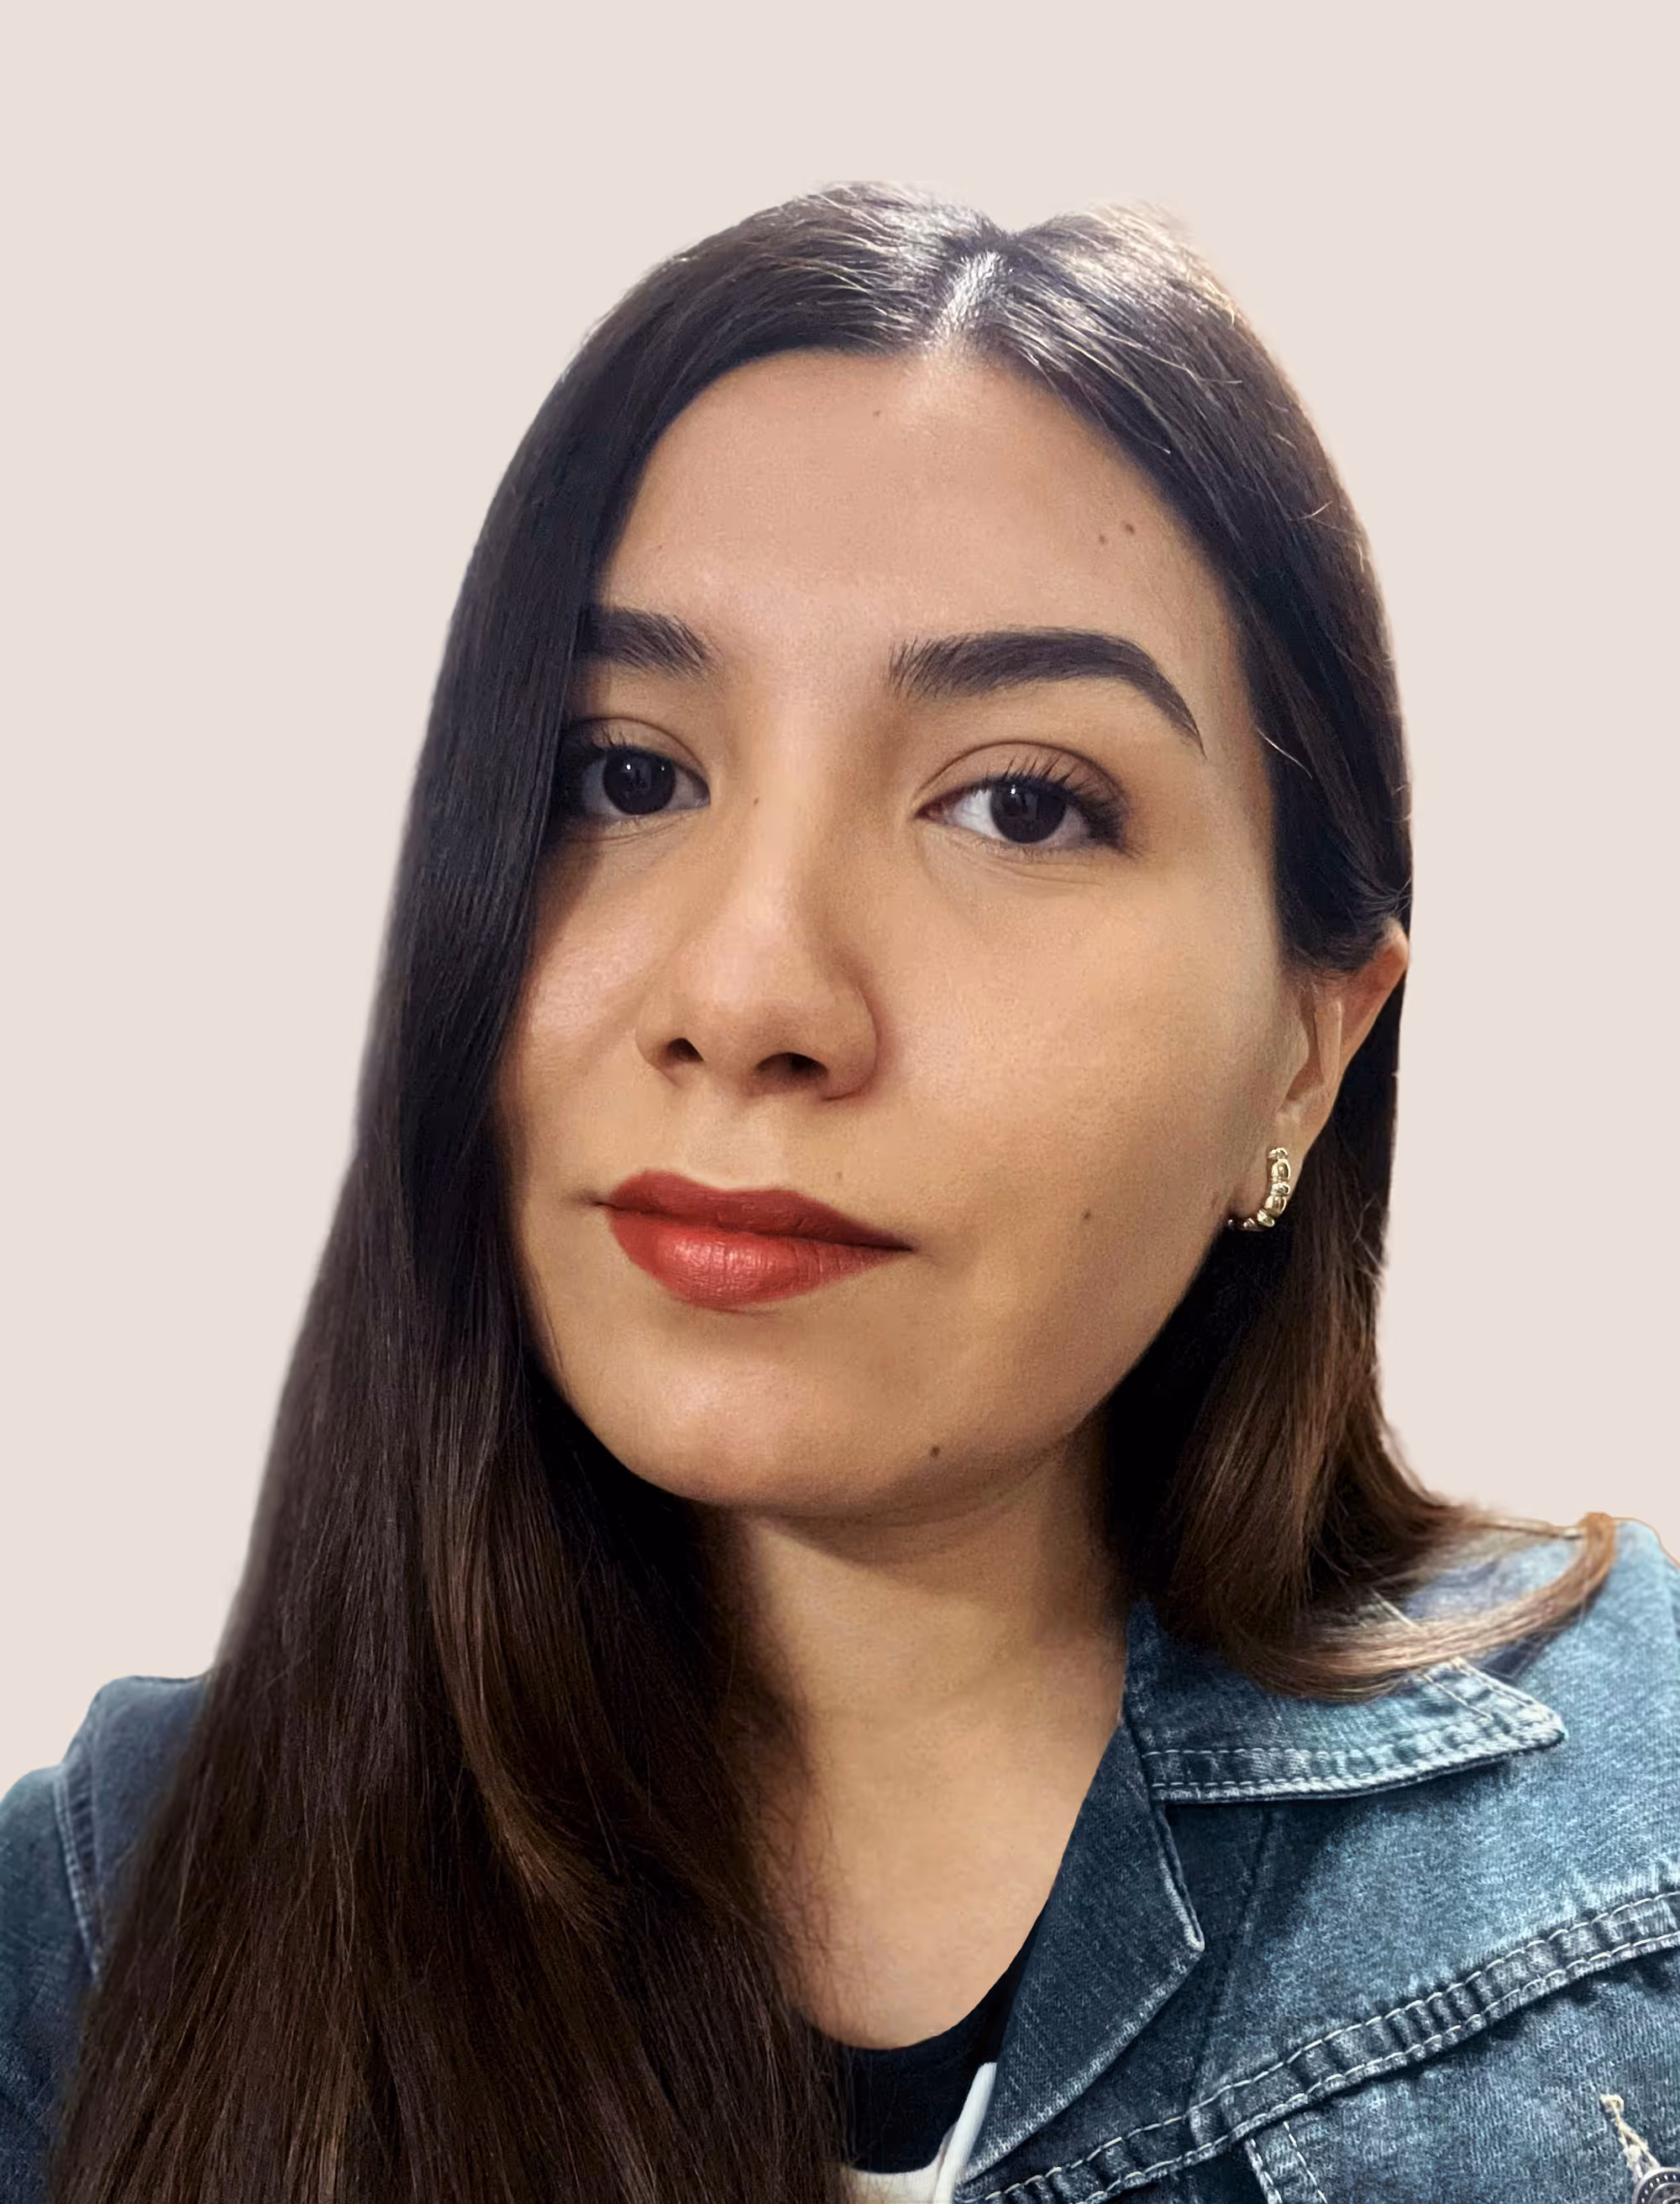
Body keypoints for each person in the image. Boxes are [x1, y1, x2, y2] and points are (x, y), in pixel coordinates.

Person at [2, 180, 1675, 2204]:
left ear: (1311, 1044)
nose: (750, 992)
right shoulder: (101, 1920)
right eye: (622, 773)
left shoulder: (1629, 1847)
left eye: (1019, 801)